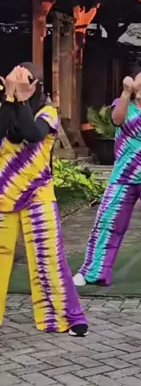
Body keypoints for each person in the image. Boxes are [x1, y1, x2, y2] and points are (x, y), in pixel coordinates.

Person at [74, 69, 141, 290]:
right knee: (106, 222)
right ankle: (93, 272)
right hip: (123, 175)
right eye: (140, 82)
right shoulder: (120, 103)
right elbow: (117, 120)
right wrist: (126, 93)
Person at [0, 64, 88, 335]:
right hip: (4, 194)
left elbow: (32, 134)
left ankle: (64, 317)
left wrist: (21, 99)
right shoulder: (6, 107)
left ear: (36, 84)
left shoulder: (48, 112)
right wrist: (10, 99)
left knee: (48, 258)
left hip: (38, 195)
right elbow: (7, 130)